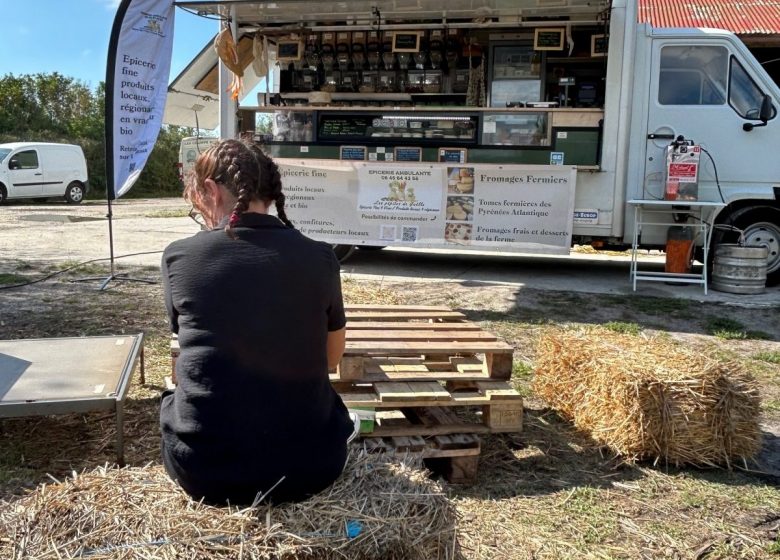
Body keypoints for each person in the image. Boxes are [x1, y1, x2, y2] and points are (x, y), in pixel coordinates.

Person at [160, 138, 356, 506]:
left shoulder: (180, 257)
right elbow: (331, 359)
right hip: (312, 468)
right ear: (271, 193)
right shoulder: (320, 257)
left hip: (204, 472)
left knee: (170, 397)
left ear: (210, 191)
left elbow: (187, 346)